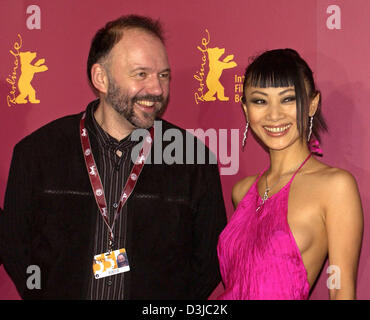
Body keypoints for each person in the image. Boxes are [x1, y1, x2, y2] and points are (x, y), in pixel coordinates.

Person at [0, 15, 227, 299]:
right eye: (141, 74)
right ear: (101, 78)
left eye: (163, 75)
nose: (157, 89)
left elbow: (209, 260)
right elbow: (14, 245)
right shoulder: (37, 153)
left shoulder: (193, 160)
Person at [217, 49, 363, 300]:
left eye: (288, 99)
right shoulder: (241, 191)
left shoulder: (335, 187)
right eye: (260, 101)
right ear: (245, 109)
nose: (274, 115)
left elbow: (340, 288)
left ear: (312, 104)